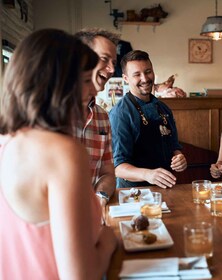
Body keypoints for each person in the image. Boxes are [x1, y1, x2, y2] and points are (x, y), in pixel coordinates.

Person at [0, 29, 117, 279]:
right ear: (60, 82)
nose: (94, 91)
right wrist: (108, 242)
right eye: (86, 81)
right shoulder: (61, 152)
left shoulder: (6, 142)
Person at [109, 50, 187, 189]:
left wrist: (179, 158)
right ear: (126, 78)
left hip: (165, 188)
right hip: (133, 193)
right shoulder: (120, 114)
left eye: (148, 71)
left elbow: (174, 147)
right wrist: (148, 175)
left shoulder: (163, 108)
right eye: (137, 74)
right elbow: (118, 167)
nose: (145, 79)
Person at [74, 28, 120, 207]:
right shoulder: (46, 114)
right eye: (104, 59)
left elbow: (108, 173)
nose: (111, 69)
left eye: (113, 63)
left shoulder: (102, 117)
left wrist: (100, 197)